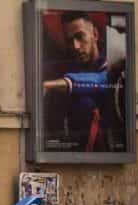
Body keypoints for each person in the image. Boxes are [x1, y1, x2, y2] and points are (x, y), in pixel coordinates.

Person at [41, 11, 126, 153]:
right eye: (70, 41)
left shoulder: (113, 68)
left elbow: (103, 81)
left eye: (80, 37)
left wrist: (50, 85)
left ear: (95, 35)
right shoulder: (68, 71)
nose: (75, 46)